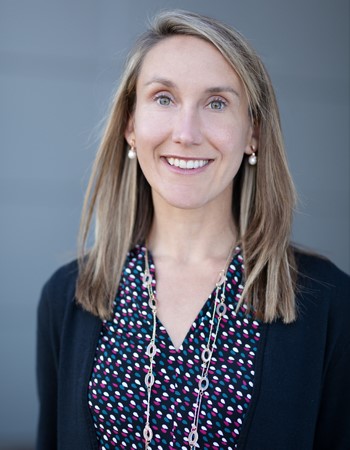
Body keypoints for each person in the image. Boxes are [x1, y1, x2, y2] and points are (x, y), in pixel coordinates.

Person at [36, 9, 350, 450]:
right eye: (163, 98)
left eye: (216, 103)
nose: (186, 133)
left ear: (252, 133)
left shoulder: (328, 301)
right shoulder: (68, 297)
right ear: (130, 125)